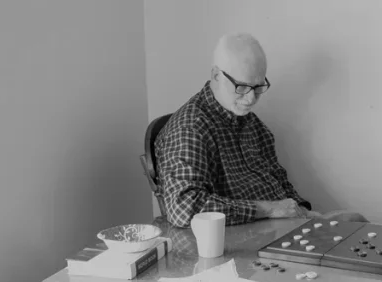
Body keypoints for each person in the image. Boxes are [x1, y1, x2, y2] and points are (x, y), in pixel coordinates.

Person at [155, 33, 365, 228]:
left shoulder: (250, 122)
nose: (250, 99)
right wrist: (268, 209)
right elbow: (184, 208)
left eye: (258, 87)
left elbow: (277, 178)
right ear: (216, 75)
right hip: (245, 237)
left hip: (284, 226)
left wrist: (301, 211)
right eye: (242, 87)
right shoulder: (190, 128)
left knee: (356, 221)